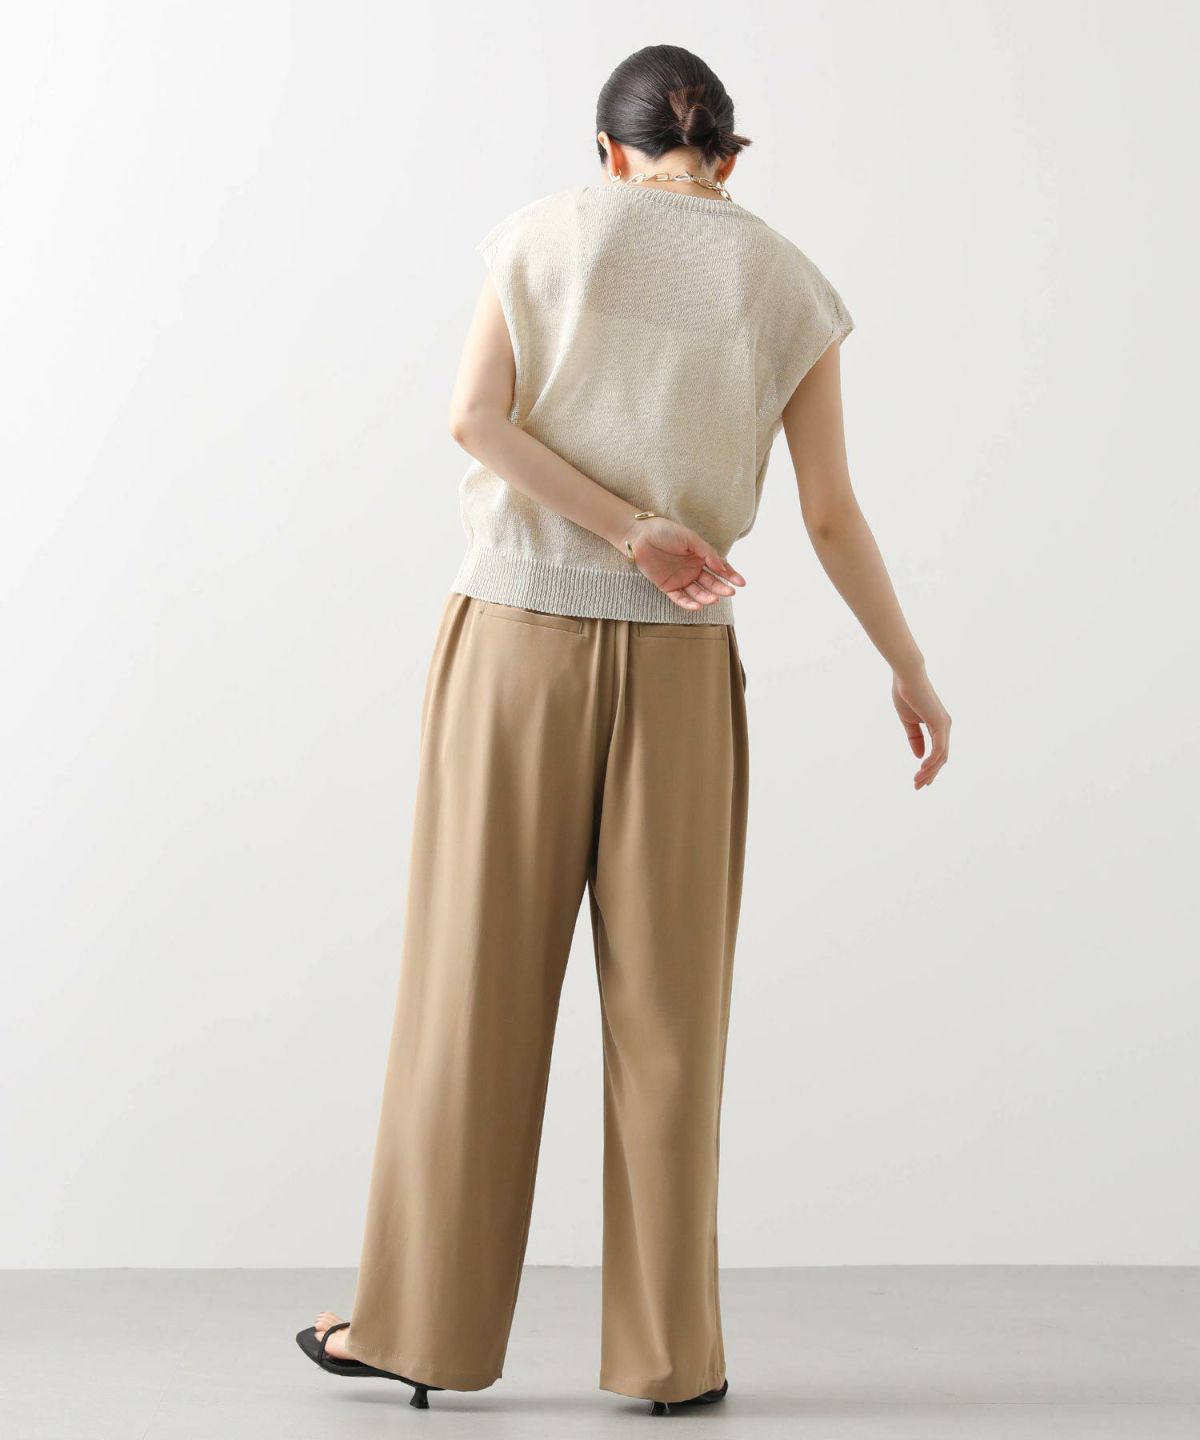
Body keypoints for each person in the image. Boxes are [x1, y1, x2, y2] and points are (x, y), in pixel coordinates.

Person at [295, 41, 951, 1418]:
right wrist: (907, 666)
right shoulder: (786, 281)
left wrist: (620, 527)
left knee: (470, 992)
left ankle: (413, 1329)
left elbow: (473, 420)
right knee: (670, 1019)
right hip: (680, 675)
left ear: (608, 150)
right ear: (732, 155)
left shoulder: (542, 234)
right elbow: (830, 512)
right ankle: (668, 1359)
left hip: (513, 647)